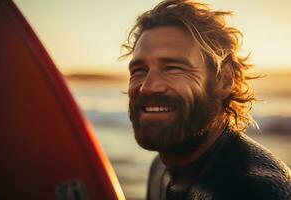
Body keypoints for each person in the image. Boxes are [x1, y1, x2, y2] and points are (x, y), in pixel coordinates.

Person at [121, 0, 291, 199]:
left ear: (224, 81)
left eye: (173, 68)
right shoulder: (161, 168)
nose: (147, 87)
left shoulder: (254, 190)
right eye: (139, 70)